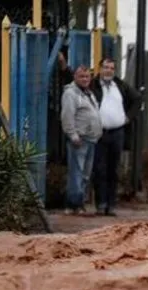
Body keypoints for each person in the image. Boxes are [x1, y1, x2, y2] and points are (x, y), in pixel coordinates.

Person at [89, 58, 142, 216]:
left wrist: (128, 117)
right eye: (106, 67)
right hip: (100, 132)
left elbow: (137, 99)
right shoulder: (93, 85)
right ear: (100, 69)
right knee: (99, 169)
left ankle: (111, 204)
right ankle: (100, 203)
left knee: (113, 169)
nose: (109, 71)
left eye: (112, 68)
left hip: (117, 132)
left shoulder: (120, 85)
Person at [60, 65, 103, 215]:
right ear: (75, 77)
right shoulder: (71, 94)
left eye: (87, 77)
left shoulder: (88, 93)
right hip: (79, 139)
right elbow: (67, 116)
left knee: (85, 175)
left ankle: (79, 203)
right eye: (81, 77)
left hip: (91, 139)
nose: (85, 79)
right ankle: (73, 205)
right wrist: (72, 135)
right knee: (76, 173)